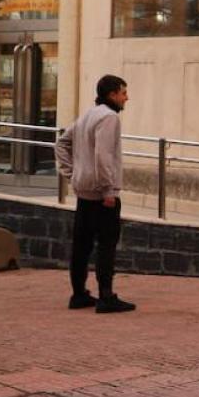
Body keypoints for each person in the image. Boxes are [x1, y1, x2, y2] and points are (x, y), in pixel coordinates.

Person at [56, 75, 136, 313]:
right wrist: (108, 190)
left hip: (84, 193)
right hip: (102, 196)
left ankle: (79, 294)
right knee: (106, 246)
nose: (126, 97)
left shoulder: (87, 115)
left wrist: (73, 174)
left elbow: (61, 143)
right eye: (123, 93)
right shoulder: (109, 117)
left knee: (81, 245)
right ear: (112, 94)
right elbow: (104, 156)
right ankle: (106, 296)